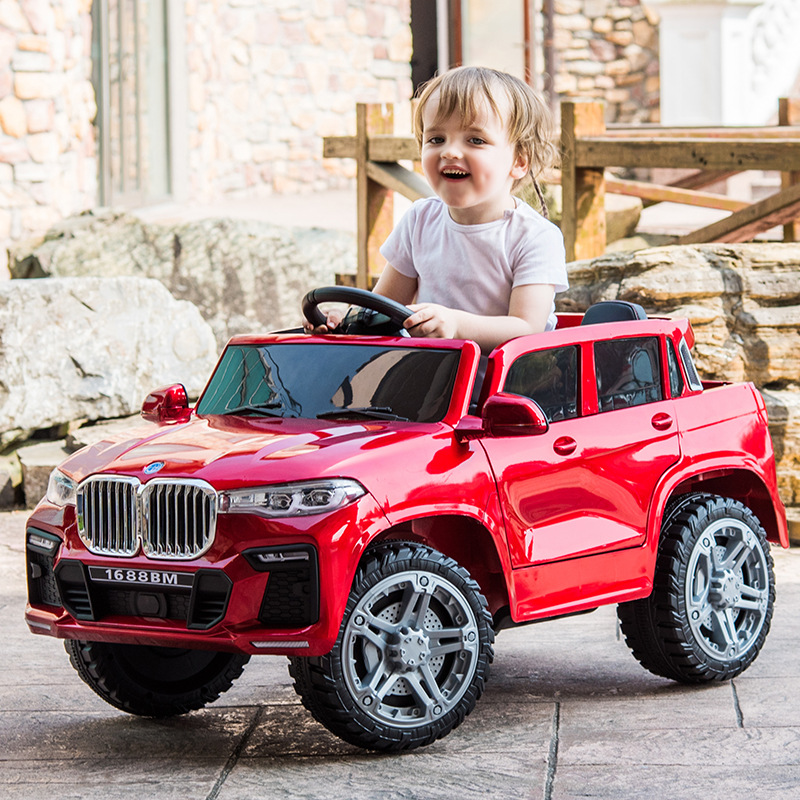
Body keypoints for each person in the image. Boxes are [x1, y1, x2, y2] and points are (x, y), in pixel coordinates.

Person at [306, 65, 568, 354]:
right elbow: (383, 309)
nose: (449, 151)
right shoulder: (420, 220)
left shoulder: (534, 236)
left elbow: (526, 327)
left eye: (476, 140)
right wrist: (346, 325)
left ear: (519, 160)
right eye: (436, 139)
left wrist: (456, 324)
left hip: (506, 387)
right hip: (429, 380)